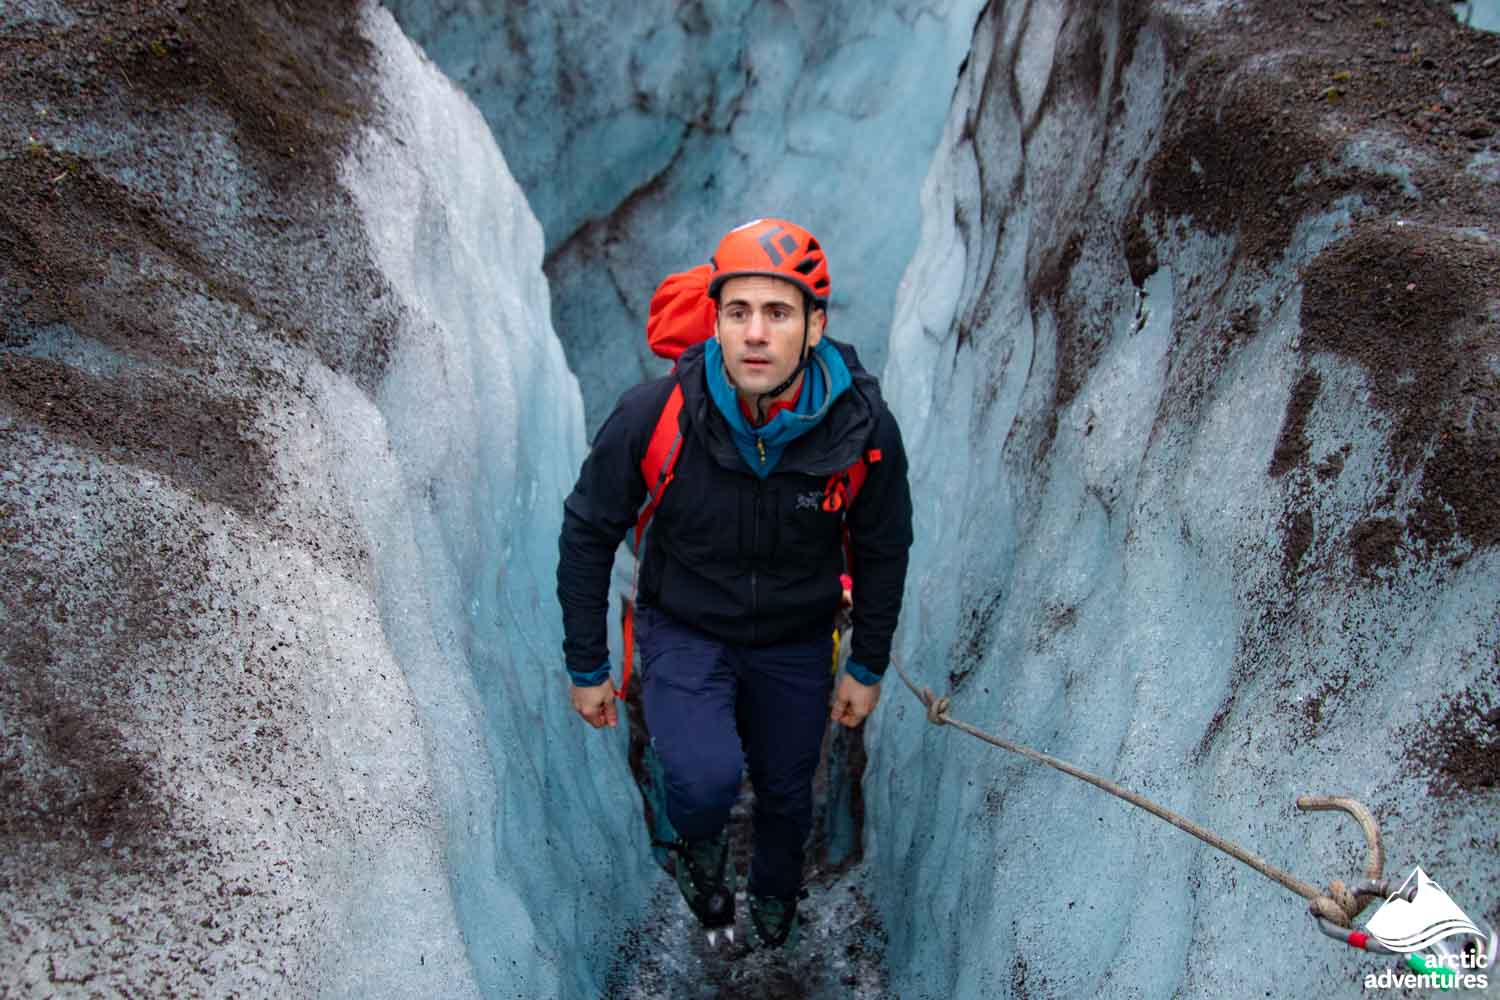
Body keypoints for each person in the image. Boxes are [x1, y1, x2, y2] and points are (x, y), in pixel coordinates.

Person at [556, 218, 913, 949]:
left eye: (778, 313)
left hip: (797, 637)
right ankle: (699, 841)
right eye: (739, 311)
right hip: (685, 626)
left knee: (787, 795)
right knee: (703, 777)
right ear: (714, 320)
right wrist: (588, 665)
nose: (755, 333)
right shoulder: (656, 416)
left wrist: (868, 663)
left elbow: (883, 546)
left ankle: (776, 891)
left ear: (815, 326)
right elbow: (588, 529)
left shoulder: (861, 430)